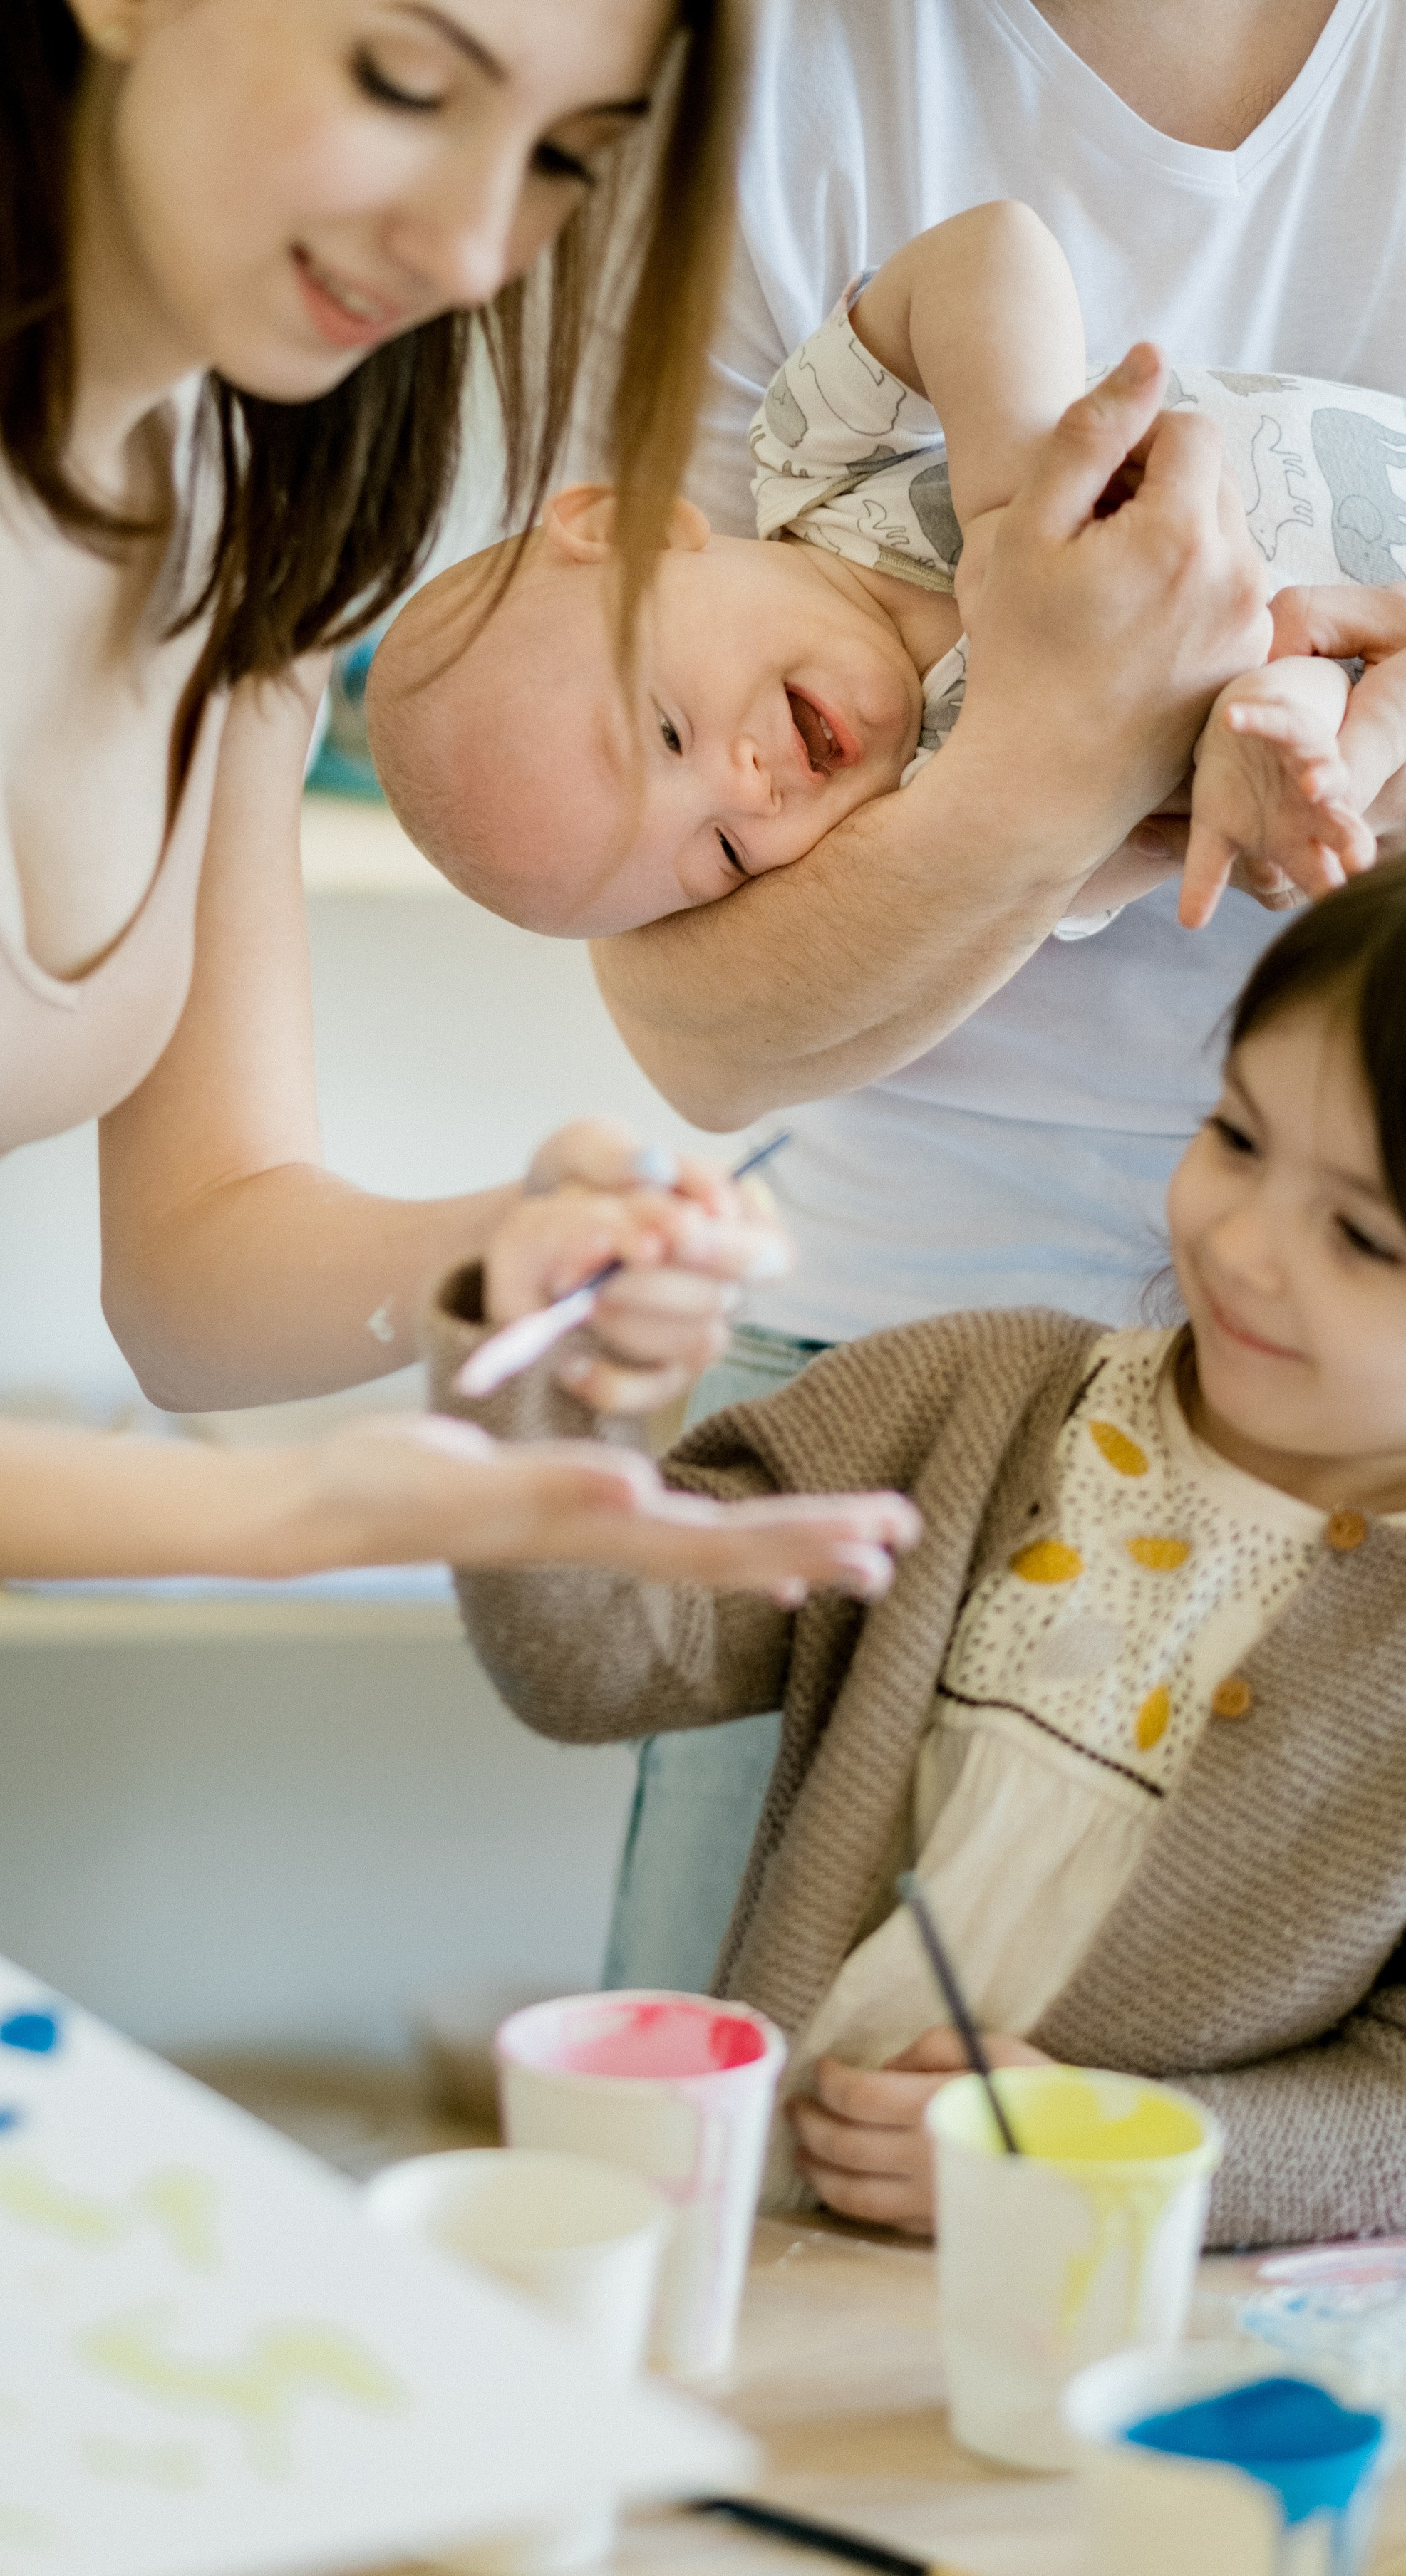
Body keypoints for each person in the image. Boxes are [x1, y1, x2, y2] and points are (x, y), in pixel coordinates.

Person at [541, 0, 1406, 2149]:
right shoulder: (738, 72)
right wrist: (1061, 746)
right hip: (915, 1398)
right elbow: (693, 1018)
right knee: (788, 2301)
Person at [429, 623, 1406, 2249]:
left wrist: (1108, 2159)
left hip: (1153, 2345)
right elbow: (594, 1657)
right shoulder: (971, 1405)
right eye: (1235, 1137)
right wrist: (546, 1378)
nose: (1242, 1244)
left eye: (1363, 1238)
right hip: (803, 2256)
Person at [0, 0, 920, 1606]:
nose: (477, 250)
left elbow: (195, 1275)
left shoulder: (251, 514)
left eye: (567, 158)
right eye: (404, 84)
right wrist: (296, 1522)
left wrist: (519, 1245)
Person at [371, 196, 1406, 942]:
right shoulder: (960, 792)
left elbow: (987, 255)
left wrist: (1010, 513)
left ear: (625, 537)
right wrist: (1249, 796)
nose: (745, 788)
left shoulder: (821, 469)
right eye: (721, 862)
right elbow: (1133, 855)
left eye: (670, 733)